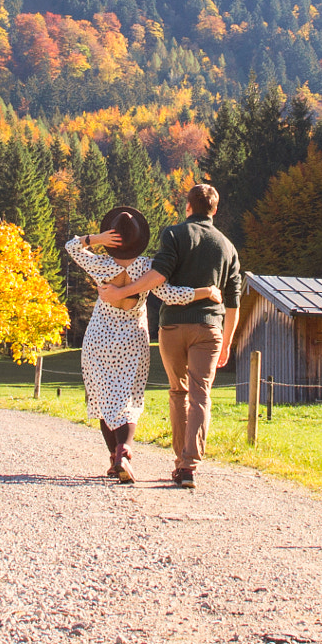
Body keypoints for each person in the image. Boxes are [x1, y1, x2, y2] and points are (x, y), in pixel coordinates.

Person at [102, 184, 241, 488]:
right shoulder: (228, 247)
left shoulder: (174, 234)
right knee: (201, 394)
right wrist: (227, 342)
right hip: (210, 329)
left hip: (173, 328)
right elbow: (233, 302)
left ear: (188, 207)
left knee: (179, 392)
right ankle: (189, 466)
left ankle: (179, 460)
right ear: (214, 211)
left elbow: (158, 276)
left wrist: (121, 292)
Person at [62, 205, 207, 483]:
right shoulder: (148, 267)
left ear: (113, 237)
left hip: (99, 338)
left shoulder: (101, 264)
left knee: (104, 397)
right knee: (128, 396)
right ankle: (124, 453)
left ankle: (115, 458)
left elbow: (71, 247)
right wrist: (205, 292)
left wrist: (96, 239)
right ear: (139, 239)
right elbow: (171, 295)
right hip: (132, 339)